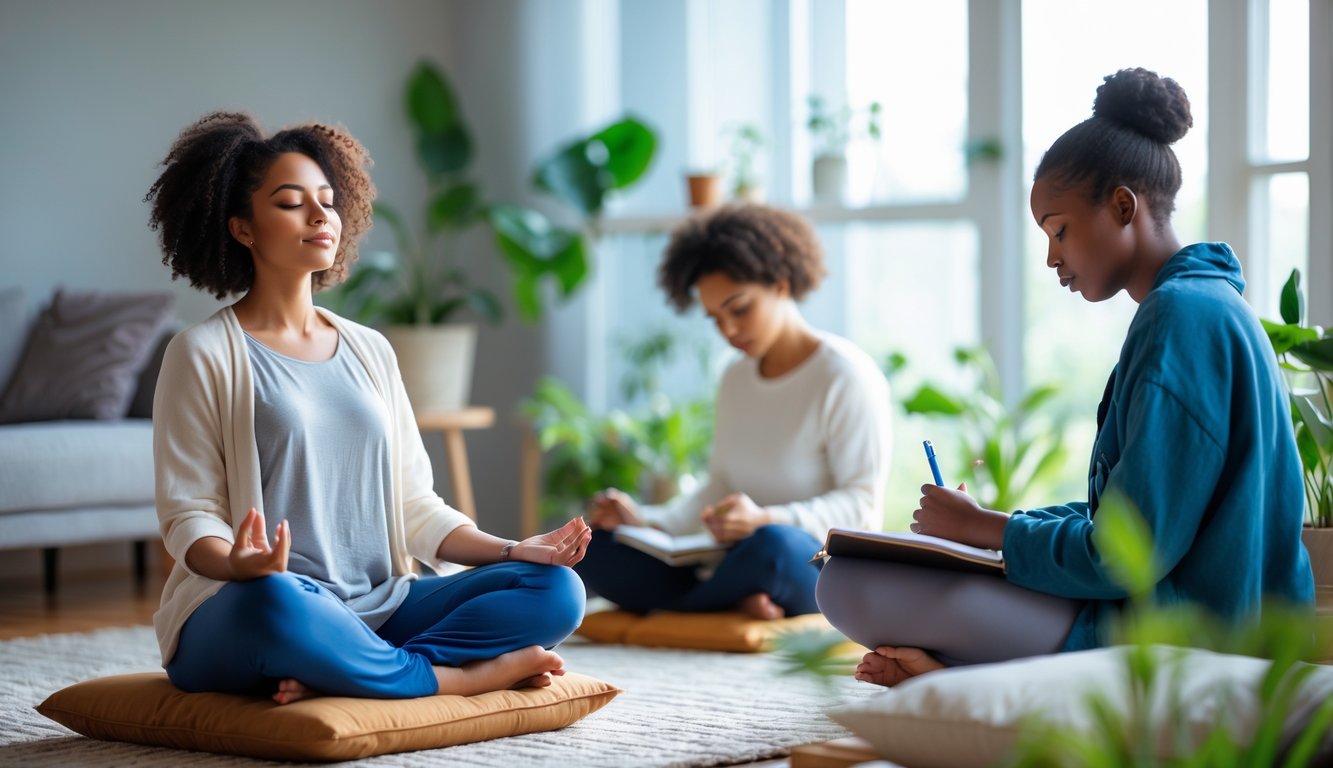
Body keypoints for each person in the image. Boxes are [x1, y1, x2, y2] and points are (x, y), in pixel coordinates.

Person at [816, 68, 1315, 686]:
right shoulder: (1206, 306)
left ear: (1123, 206)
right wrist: (996, 528)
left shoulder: (1181, 318)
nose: (1052, 257)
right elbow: (1138, 518)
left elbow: (1123, 557)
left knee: (848, 584)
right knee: (865, 578)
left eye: (1059, 229)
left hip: (1182, 645)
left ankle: (959, 681)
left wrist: (987, 531)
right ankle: (959, 678)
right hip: (1186, 619)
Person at [146, 112, 592, 704]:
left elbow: (415, 507)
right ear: (243, 228)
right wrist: (239, 565)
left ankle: (344, 670)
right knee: (279, 603)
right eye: (290, 203)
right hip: (259, 603)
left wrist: (514, 550)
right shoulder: (202, 352)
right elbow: (189, 517)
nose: (318, 216)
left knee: (556, 590)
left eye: (327, 202)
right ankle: (455, 678)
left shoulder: (370, 349)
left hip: (380, 606)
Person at [574, 204, 893, 620]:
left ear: (781, 284)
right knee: (596, 547)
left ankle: (700, 605)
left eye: (739, 309)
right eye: (715, 318)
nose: (728, 331)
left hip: (814, 563)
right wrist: (648, 522)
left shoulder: (845, 375)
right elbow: (719, 485)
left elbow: (863, 507)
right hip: (734, 558)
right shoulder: (736, 378)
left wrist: (764, 518)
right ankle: (731, 601)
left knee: (772, 547)